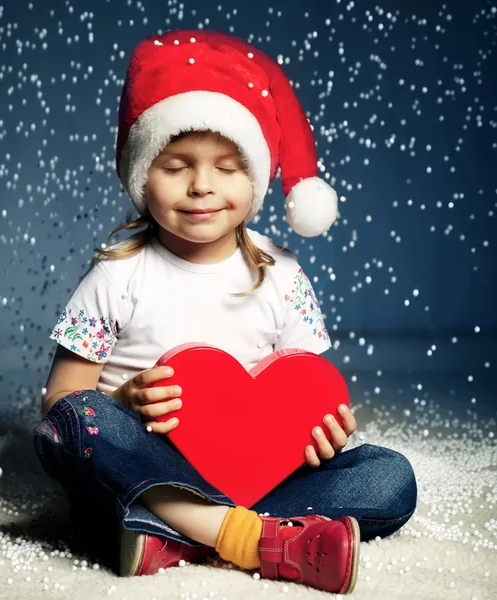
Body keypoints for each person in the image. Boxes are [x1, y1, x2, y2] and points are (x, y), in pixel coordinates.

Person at [34, 29, 417, 595]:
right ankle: (248, 539)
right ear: (142, 174)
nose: (202, 186)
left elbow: (306, 392)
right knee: (73, 426)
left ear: (256, 178)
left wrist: (323, 434)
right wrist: (125, 400)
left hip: (252, 477)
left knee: (389, 478)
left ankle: (175, 534)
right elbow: (61, 400)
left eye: (228, 167)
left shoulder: (282, 276)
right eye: (177, 165)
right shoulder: (117, 275)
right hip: (143, 463)